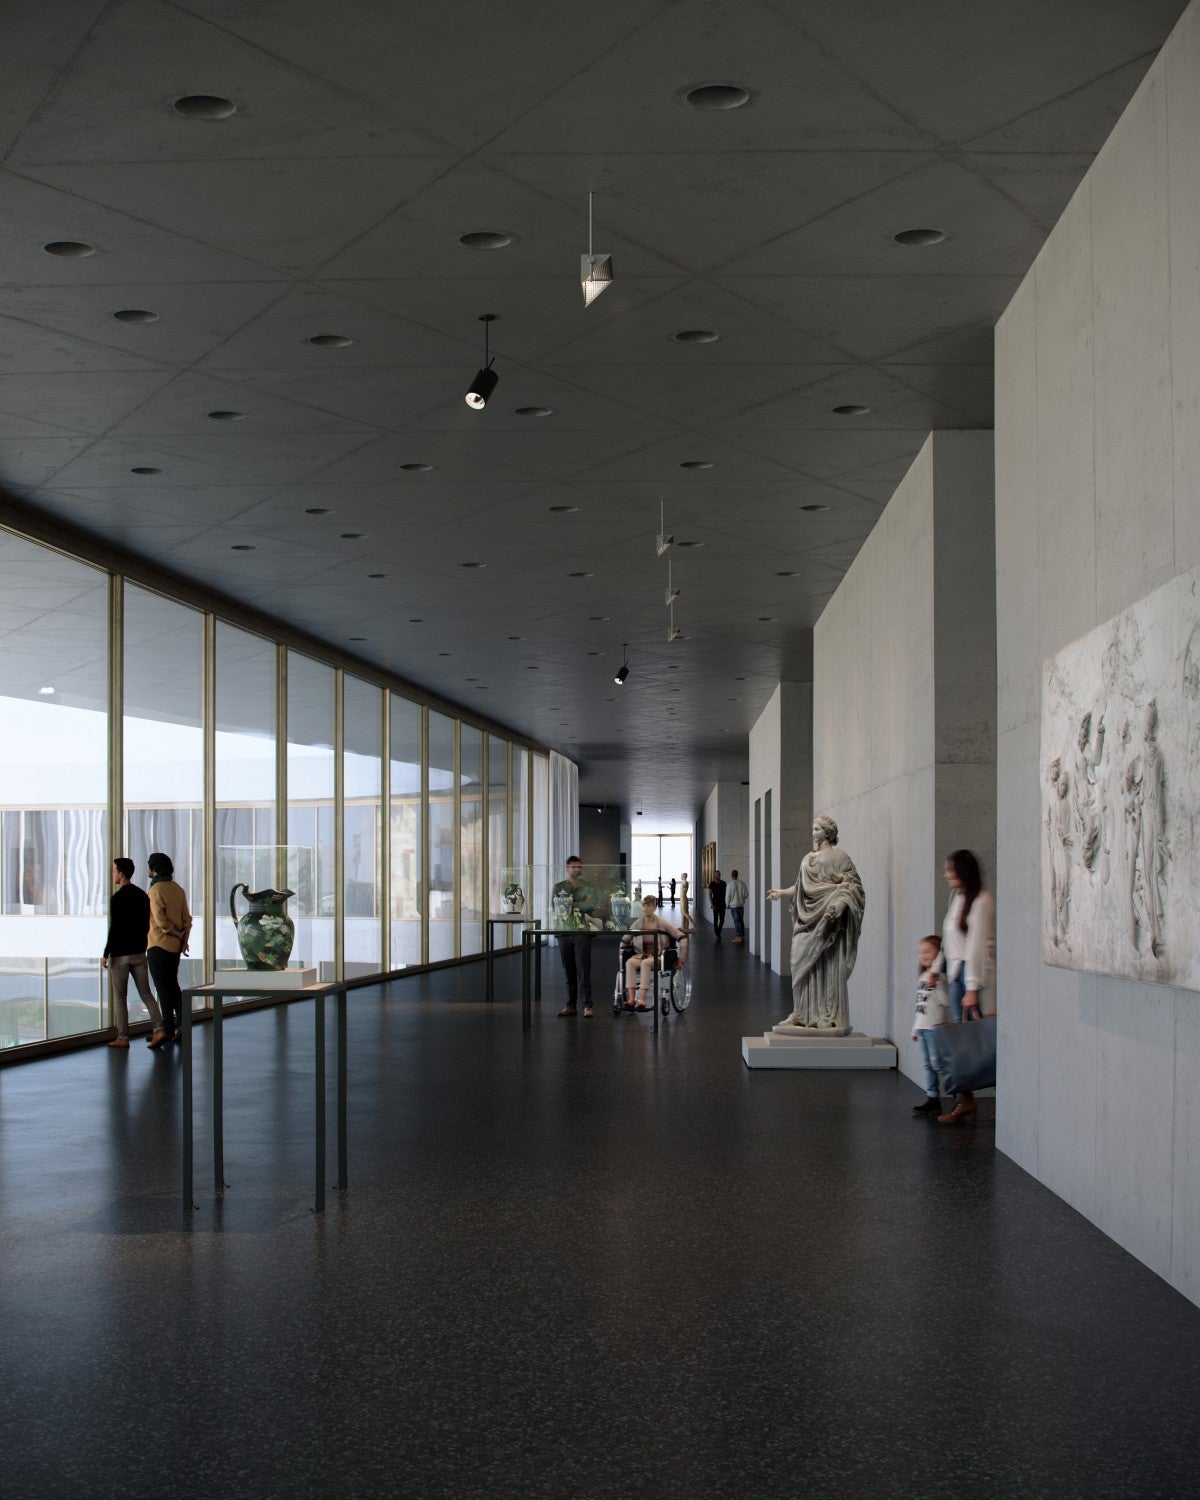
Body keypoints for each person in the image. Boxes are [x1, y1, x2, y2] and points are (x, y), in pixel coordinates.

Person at [767, 815, 865, 1032]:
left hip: (828, 921)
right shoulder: (806, 859)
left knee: (827, 965)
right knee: (798, 962)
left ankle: (825, 1016)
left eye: (817, 828)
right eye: (813, 828)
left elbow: (852, 887)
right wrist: (781, 893)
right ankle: (800, 1013)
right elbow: (800, 888)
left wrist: (839, 906)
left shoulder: (840, 857)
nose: (813, 833)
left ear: (828, 832)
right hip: (807, 920)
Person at [934, 848, 996, 1125]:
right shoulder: (957, 897)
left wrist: (971, 988)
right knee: (963, 1045)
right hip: (957, 974)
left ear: (963, 872)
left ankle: (1003, 1099)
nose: (947, 875)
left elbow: (976, 948)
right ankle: (965, 1101)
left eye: (951, 870)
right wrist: (935, 969)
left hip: (975, 979)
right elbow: (950, 942)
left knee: (986, 1041)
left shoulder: (981, 901)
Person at [103, 857, 168, 1050]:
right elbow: (145, 925)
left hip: (121, 956)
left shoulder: (117, 898)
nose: (113, 874)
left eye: (115, 871)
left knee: (120, 996)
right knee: (147, 993)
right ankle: (159, 1028)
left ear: (121, 873)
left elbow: (114, 929)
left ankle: (123, 1037)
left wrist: (106, 953)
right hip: (139, 954)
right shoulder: (142, 896)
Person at [146, 852, 192, 1044]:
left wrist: (176, 934)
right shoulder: (178, 889)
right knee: (173, 987)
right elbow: (187, 920)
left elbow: (161, 922)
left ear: (155, 869)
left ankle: (167, 1030)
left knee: (163, 989)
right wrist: (183, 941)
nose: (147, 869)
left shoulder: (156, 889)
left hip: (158, 945)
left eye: (149, 866)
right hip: (174, 949)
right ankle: (182, 1026)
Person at [620, 896, 687, 1011]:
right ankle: (631, 999)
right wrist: (623, 951)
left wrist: (681, 958)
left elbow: (682, 937)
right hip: (641, 955)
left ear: (654, 907)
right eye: (644, 906)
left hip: (658, 957)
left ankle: (642, 999)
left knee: (645, 963)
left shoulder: (662, 923)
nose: (646, 908)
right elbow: (625, 939)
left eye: (649, 906)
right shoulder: (638, 923)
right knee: (630, 962)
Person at [552, 855, 598, 1018]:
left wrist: (571, 904)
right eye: (574, 867)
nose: (577, 869)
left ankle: (587, 1006)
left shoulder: (589, 887)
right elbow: (556, 908)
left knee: (583, 969)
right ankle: (570, 1005)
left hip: (582, 931)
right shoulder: (558, 887)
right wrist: (579, 903)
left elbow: (591, 905)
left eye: (579, 867)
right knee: (568, 969)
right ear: (567, 869)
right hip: (564, 932)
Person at [910, 934, 951, 1114]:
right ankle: (932, 1098)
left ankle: (958, 1095)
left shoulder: (940, 977)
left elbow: (946, 1001)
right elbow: (920, 1006)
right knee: (928, 1065)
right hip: (924, 1029)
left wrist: (938, 985)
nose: (924, 955)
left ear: (938, 954)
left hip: (935, 1029)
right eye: (921, 952)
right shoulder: (922, 977)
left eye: (928, 951)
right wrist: (915, 1029)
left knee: (938, 1064)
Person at [726, 869, 748, 944]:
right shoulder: (742, 884)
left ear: (731, 875)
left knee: (736, 921)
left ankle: (738, 937)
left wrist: (727, 904)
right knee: (741, 921)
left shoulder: (730, 884)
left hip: (733, 906)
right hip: (741, 905)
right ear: (737, 875)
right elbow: (746, 895)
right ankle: (742, 936)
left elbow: (728, 896)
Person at [708, 869, 727, 942]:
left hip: (722, 904)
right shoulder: (712, 884)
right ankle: (717, 932)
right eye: (717, 874)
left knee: (722, 920)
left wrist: (727, 902)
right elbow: (710, 894)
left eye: (719, 874)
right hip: (715, 904)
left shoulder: (723, 883)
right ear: (714, 875)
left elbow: (726, 894)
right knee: (715, 920)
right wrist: (712, 904)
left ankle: (718, 932)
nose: (718, 875)